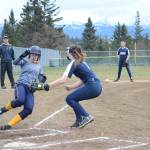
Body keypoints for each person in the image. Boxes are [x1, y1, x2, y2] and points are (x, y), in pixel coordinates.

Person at [49, 46, 102, 128]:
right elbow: (82, 80)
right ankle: (79, 120)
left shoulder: (73, 63)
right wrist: (71, 87)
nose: (67, 55)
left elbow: (63, 79)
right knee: (74, 98)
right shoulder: (82, 62)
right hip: (97, 86)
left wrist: (49, 85)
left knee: (69, 99)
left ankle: (86, 116)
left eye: (68, 53)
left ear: (71, 54)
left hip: (92, 86)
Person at [0, 46, 49, 130]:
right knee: (20, 100)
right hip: (21, 85)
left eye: (36, 55)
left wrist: (42, 86)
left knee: (29, 109)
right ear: (29, 55)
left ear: (38, 56)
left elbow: (41, 79)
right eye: (33, 54)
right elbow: (15, 62)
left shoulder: (40, 66)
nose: (34, 56)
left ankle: (9, 124)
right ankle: (1, 110)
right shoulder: (25, 61)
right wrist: (22, 55)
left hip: (30, 89)